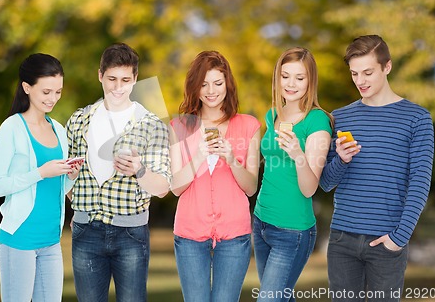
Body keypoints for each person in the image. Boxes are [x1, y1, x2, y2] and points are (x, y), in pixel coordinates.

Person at [320, 35, 434, 302]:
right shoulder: (340, 117)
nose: (360, 81)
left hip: (387, 241)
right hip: (342, 240)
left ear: (387, 67)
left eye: (368, 72)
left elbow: (419, 182)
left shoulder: (417, 118)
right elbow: (325, 182)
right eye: (354, 73)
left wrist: (399, 237)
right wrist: (341, 160)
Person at [66, 42, 171, 302]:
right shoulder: (79, 120)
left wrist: (139, 170)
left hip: (130, 234)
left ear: (135, 79)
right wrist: (79, 203)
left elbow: (162, 187)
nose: (118, 86)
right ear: (100, 75)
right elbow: (66, 178)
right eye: (111, 79)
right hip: (85, 230)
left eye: (125, 79)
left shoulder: (151, 124)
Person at [0, 53, 81, 302]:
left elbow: (57, 188)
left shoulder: (59, 130)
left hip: (51, 241)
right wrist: (40, 173)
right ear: (27, 88)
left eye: (58, 92)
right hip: (19, 240)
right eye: (46, 92)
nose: (53, 99)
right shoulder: (12, 128)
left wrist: (71, 175)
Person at [169, 50, 261, 302]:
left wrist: (231, 158)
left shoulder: (249, 125)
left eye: (218, 83)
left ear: (227, 85)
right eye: (204, 84)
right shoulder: (179, 127)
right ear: (194, 87)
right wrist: (198, 156)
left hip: (234, 235)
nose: (211, 90)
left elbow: (251, 187)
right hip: (189, 234)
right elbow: (176, 187)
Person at [253, 47, 332, 301]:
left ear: (311, 81)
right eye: (285, 76)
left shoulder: (317, 121)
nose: (291, 84)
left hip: (293, 231)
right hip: (261, 222)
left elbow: (310, 188)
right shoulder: (273, 114)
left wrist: (298, 153)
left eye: (300, 78)